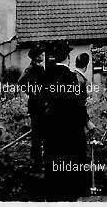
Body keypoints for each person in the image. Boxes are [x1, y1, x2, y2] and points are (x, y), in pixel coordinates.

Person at [42, 40, 89, 200]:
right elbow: (77, 104)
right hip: (69, 128)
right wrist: (86, 121)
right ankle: (70, 194)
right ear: (68, 58)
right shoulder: (69, 77)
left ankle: (52, 194)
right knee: (69, 159)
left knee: (52, 159)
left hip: (51, 127)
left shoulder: (46, 75)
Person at [18, 44, 45, 168]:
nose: (43, 55)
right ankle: (38, 160)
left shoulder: (39, 68)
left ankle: (37, 156)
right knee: (37, 133)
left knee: (38, 131)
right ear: (36, 57)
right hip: (36, 104)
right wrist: (31, 91)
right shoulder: (32, 69)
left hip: (40, 103)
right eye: (41, 54)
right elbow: (21, 81)